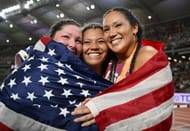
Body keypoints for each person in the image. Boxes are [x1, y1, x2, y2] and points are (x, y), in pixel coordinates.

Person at [72, 7, 174, 131]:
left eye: (118, 25)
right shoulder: (111, 62)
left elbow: (149, 107)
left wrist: (102, 106)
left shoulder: (146, 55)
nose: (112, 33)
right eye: (106, 29)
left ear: (134, 28)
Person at [0, 19, 112, 131]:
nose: (72, 44)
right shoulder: (34, 67)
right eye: (66, 37)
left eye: (78, 41)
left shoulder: (91, 79)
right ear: (51, 41)